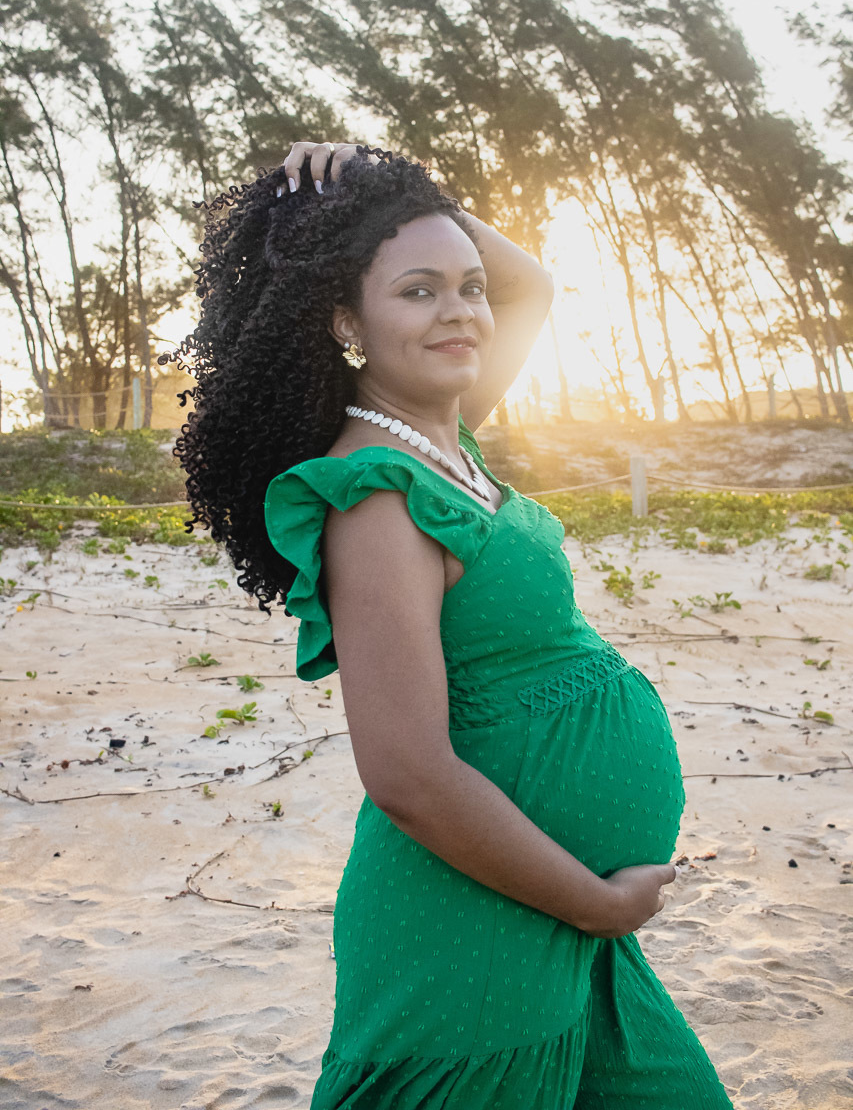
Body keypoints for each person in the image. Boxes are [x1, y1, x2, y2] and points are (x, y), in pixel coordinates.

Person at [164, 141, 735, 1108]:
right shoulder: (374, 499)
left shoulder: (442, 440)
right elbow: (407, 776)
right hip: (476, 937)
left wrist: (387, 192)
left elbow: (533, 283)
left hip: (547, 920)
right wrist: (596, 904)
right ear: (346, 319)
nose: (463, 311)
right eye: (418, 292)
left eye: (467, 288)